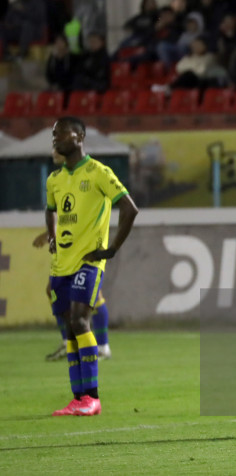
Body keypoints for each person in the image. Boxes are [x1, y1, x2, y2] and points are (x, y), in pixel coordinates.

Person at [47, 117, 138, 416]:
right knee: (71, 331)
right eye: (54, 134)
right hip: (62, 265)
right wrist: (51, 236)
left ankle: (93, 397)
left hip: (89, 261)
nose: (56, 137)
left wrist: (110, 250)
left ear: (80, 136)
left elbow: (129, 208)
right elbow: (50, 210)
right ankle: (79, 398)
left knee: (80, 321)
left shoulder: (98, 172)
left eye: (61, 132)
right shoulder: (54, 180)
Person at [36, 148, 112, 362]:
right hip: (70, 248)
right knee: (52, 291)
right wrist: (50, 234)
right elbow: (70, 216)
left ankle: (103, 345)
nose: (54, 150)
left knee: (94, 297)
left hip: (87, 248)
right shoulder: (59, 180)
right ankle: (68, 341)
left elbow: (84, 216)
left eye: (58, 145)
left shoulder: (91, 174)